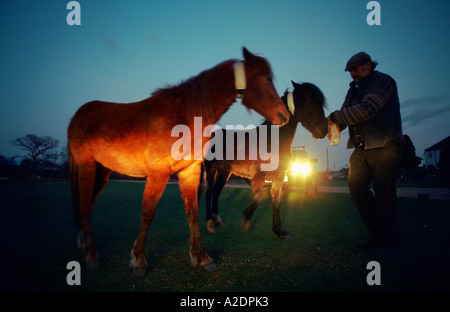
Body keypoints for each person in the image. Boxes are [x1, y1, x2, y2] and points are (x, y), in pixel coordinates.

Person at [327, 52, 405, 259]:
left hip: (386, 145)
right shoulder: (353, 89)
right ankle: (376, 234)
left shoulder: (383, 81)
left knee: (384, 195)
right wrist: (324, 127)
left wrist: (334, 117)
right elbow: (345, 115)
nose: (352, 74)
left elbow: (367, 110)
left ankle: (390, 243)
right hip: (361, 148)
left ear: (367, 65)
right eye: (350, 71)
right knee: (356, 188)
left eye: (355, 69)